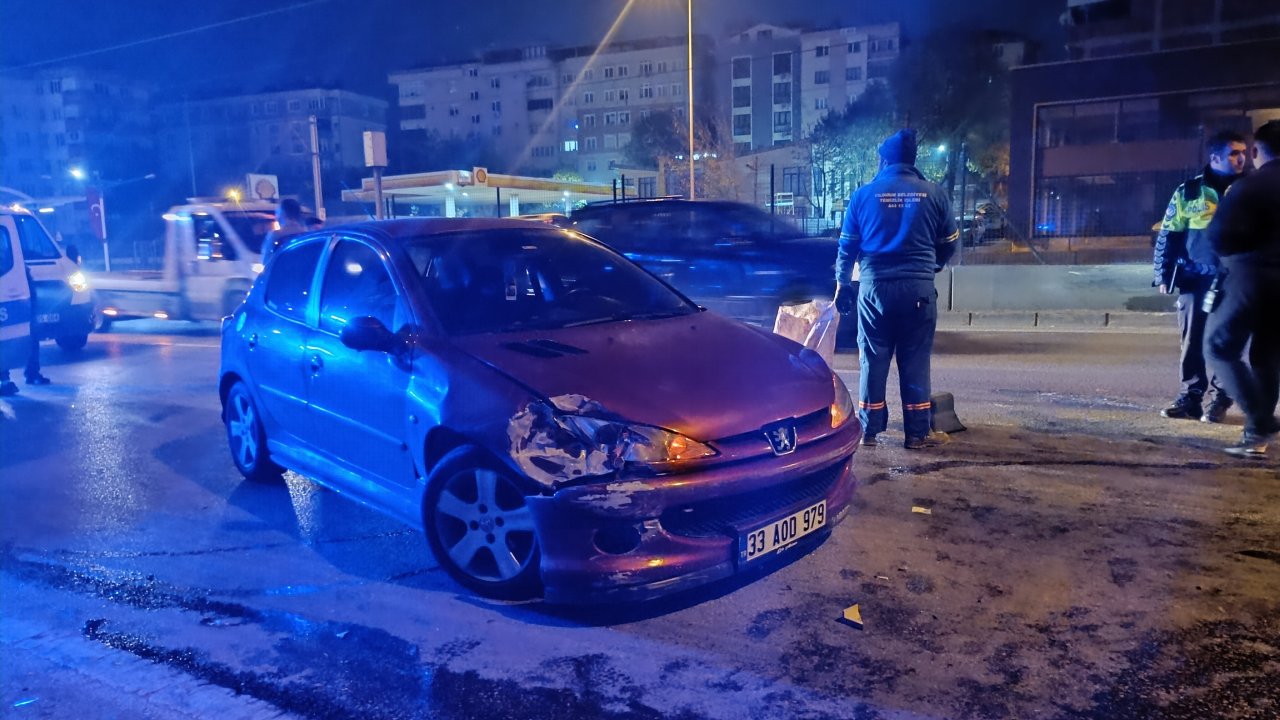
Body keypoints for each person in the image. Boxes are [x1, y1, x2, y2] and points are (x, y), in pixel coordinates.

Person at [834, 129, 958, 449]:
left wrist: (842, 284)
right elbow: (949, 243)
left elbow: (847, 248)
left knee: (872, 359)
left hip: (874, 290)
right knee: (915, 360)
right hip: (918, 290)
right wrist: (930, 267)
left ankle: (869, 431)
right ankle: (916, 434)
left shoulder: (863, 195)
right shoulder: (935, 193)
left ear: (885, 160)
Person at [1152, 130, 1248, 423]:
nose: (1241, 158)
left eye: (1244, 152)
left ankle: (1220, 399)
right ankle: (1190, 399)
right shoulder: (1189, 191)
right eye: (1234, 153)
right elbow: (1169, 233)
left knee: (1226, 342)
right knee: (1192, 341)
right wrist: (1163, 273)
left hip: (1236, 281)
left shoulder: (1251, 189)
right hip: (1195, 279)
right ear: (1215, 157)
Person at [1203, 120, 1280, 458]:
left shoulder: (1249, 186)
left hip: (1250, 274)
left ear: (1257, 151)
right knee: (1267, 356)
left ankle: (1260, 421)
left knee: (1219, 346)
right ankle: (1255, 437)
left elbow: (1219, 236)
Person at [0, 267, 50, 396]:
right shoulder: (13, 263)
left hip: (21, 303)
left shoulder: (17, 263)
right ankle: (6, 380)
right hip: (16, 302)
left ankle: (28, 374)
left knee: (30, 338)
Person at [260, 198, 306, 267]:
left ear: (283, 213)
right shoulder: (306, 234)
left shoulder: (275, 235)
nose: (276, 216)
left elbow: (266, 260)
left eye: (278, 212)